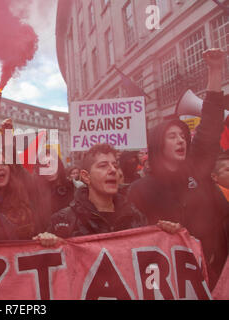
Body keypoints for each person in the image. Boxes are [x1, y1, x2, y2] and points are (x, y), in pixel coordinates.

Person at [127, 48, 228, 289]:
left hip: (214, 270)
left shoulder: (197, 169)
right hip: (169, 281)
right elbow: (129, 238)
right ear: (158, 145)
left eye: (183, 136)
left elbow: (212, 122)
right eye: (172, 136)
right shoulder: (140, 190)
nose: (181, 140)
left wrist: (215, 70)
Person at [33, 144, 180, 246]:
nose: (112, 170)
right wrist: (46, 242)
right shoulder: (62, 221)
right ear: (85, 177)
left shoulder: (135, 217)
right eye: (103, 166)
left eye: (115, 165)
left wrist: (167, 235)